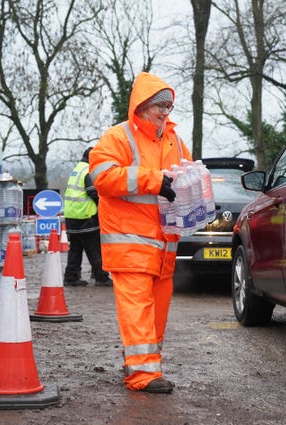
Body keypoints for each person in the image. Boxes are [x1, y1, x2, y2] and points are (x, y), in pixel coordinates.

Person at [89, 72, 192, 394]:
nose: (165, 112)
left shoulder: (174, 139)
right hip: (130, 241)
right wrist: (154, 180)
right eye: (159, 105)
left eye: (169, 106)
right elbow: (102, 177)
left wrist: (197, 197)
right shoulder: (118, 137)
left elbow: (184, 175)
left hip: (163, 244)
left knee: (157, 310)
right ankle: (143, 375)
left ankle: (144, 364)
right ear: (142, 105)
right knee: (139, 308)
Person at [63, 147, 112, 287]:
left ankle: (71, 277)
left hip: (72, 216)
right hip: (86, 216)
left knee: (75, 249)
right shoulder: (88, 171)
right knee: (94, 248)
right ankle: (101, 277)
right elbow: (94, 193)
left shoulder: (77, 169)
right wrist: (105, 207)